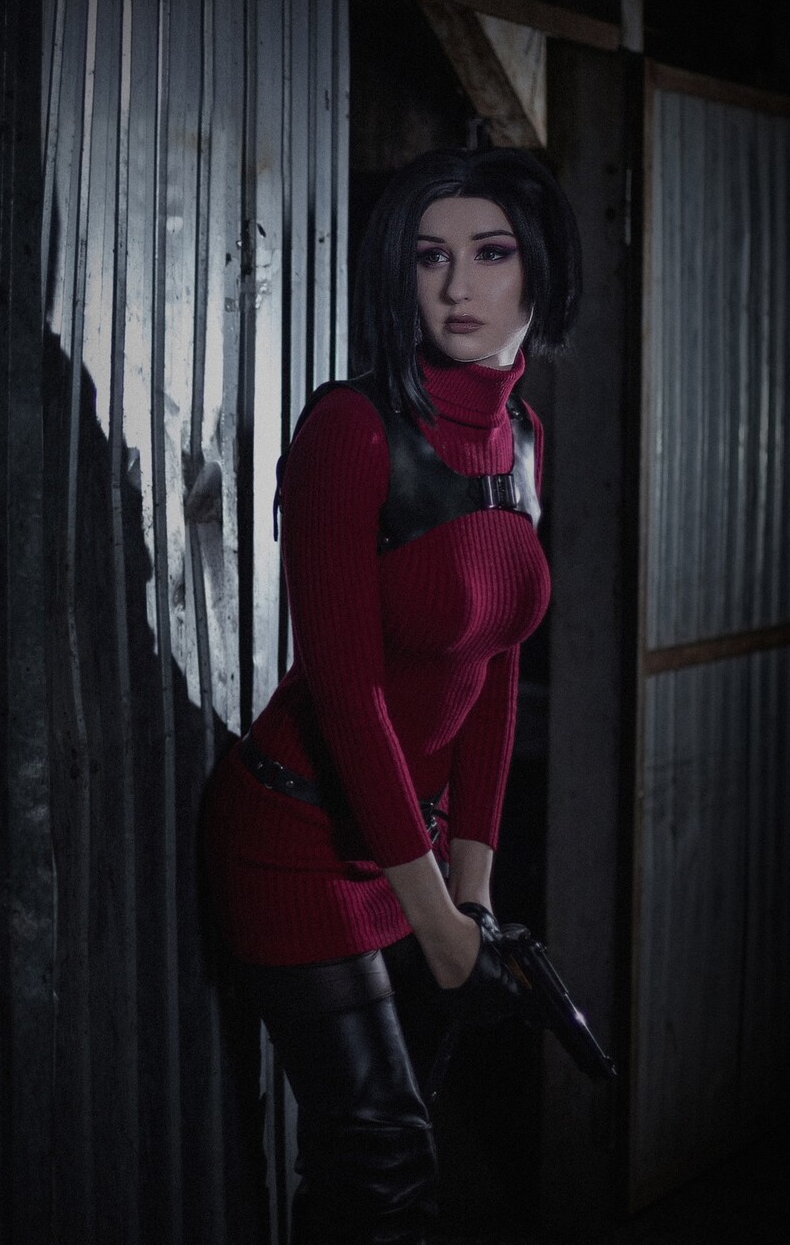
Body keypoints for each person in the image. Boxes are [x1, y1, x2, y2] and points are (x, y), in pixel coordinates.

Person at [199, 145, 581, 1244]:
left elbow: (497, 664)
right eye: (429, 258)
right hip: (300, 840)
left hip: (416, 846)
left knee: (376, 1164)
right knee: (386, 1159)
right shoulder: (351, 429)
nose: (458, 287)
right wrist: (435, 918)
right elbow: (347, 692)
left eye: (491, 253)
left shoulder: (524, 440)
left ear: (539, 267)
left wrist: (473, 885)